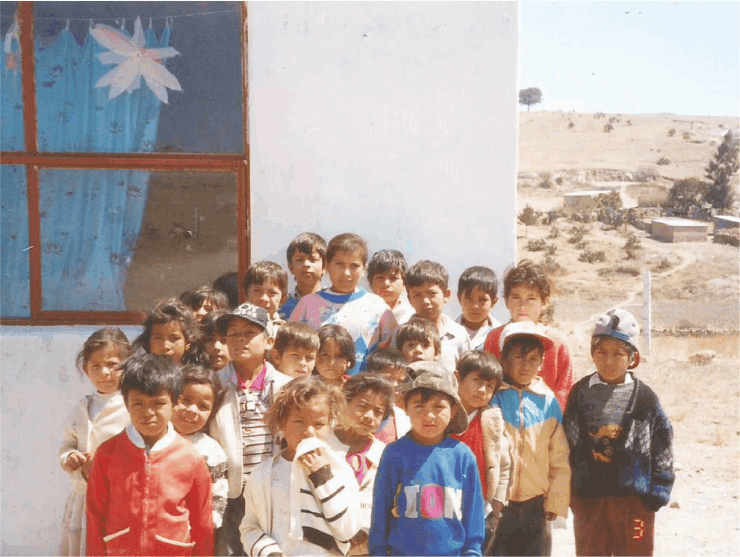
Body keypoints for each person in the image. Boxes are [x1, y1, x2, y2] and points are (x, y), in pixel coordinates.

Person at [563, 308, 674, 556]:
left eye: (618, 353)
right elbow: (568, 442)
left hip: (636, 504)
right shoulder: (580, 393)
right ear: (592, 354)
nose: (609, 361)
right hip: (590, 500)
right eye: (601, 352)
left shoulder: (645, 398)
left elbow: (663, 443)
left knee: (636, 551)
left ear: (633, 358)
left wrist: (658, 492)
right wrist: (573, 493)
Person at [86, 353, 213, 556]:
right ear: (126, 403)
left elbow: (203, 522)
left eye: (158, 403)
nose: (148, 412)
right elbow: (95, 515)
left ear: (175, 403)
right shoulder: (107, 453)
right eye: (138, 403)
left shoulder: (191, 457)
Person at [369, 361, 485, 557]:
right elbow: (380, 511)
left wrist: (473, 552)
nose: (429, 415)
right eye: (419, 406)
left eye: (439, 407)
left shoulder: (463, 456)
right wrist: (378, 552)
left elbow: (473, 513)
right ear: (405, 408)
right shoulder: (394, 454)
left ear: (454, 410)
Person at [239, 377, 362, 556]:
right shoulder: (263, 474)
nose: (309, 431)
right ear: (282, 423)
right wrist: (269, 552)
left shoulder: (338, 470)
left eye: (319, 424)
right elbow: (250, 527)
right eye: (299, 422)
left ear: (329, 425)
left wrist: (323, 478)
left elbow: (348, 530)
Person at [209, 302, 292, 556]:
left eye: (249, 333)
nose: (239, 339)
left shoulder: (286, 387)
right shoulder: (214, 384)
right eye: (233, 334)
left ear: (268, 341)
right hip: (232, 494)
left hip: (274, 491)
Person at [490, 322, 570, 557]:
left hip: (536, 503)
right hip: (499, 501)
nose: (526, 365)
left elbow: (559, 456)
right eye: (518, 357)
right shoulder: (493, 396)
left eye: (533, 359)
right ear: (504, 360)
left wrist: (555, 500)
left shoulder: (547, 401)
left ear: (542, 363)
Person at [58, 328, 133, 556]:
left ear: (127, 365)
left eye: (112, 365)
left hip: (117, 500)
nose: (104, 372)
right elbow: (67, 444)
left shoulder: (131, 406)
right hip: (82, 498)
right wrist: (69, 457)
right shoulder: (83, 407)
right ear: (86, 369)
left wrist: (102, 465)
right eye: (96, 366)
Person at [290, 233, 397, 374]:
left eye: (354, 266)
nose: (347, 273)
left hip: (364, 385)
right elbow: (290, 349)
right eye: (339, 264)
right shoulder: (307, 304)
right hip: (318, 386)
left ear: (364, 269)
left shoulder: (377, 306)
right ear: (327, 266)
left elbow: (393, 354)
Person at [483, 260, 574, 410]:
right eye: (516, 297)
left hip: (545, 418)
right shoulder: (494, 338)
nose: (522, 305)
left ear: (545, 302)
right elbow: (486, 383)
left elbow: (564, 390)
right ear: (506, 301)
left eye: (531, 298)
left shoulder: (557, 343)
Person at [450, 350, 511, 554]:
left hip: (480, 508)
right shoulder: (444, 415)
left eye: (490, 386)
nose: (482, 390)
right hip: (443, 504)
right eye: (476, 381)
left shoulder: (492, 421)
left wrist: (497, 503)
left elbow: (503, 463)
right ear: (457, 378)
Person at [327, 373, 394, 554]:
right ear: (343, 404)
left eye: (378, 412)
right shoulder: (321, 446)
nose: (369, 416)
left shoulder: (385, 455)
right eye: (362, 406)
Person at [171, 364, 229, 537]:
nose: (191, 410)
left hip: (193, 533)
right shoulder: (154, 438)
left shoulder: (211, 450)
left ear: (212, 413)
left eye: (203, 406)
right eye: (185, 400)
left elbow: (218, 492)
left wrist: (209, 523)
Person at [405, 259, 472, 372]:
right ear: (409, 299)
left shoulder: (459, 336)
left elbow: (469, 374)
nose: (426, 301)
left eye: (432, 293)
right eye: (417, 295)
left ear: (446, 295)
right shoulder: (401, 335)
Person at [134, 297, 200, 366]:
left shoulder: (195, 372)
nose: (165, 346)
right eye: (158, 338)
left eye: (174, 338)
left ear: (187, 343)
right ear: (149, 342)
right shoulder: (139, 372)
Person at [365, 348, 411, 444]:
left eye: (400, 382)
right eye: (388, 379)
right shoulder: (356, 411)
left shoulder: (403, 419)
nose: (395, 386)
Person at [279, 232, 327, 320]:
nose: (306, 264)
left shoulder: (333, 303)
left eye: (313, 259)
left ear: (324, 267)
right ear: (291, 267)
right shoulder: (281, 305)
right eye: (299, 260)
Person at [456, 266, 502, 350]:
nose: (475, 306)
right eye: (469, 299)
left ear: (494, 301)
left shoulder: (501, 336)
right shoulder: (447, 333)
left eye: (482, 300)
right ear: (459, 299)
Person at [367, 249, 415, 325]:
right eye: (380, 278)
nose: (386, 284)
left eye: (393, 278)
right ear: (370, 283)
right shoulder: (361, 314)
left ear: (404, 284)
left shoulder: (412, 318)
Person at [243, 261, 289, 329]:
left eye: (272, 292)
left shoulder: (285, 331)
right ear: (246, 295)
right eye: (257, 291)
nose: (264, 298)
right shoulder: (235, 328)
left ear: (283, 298)